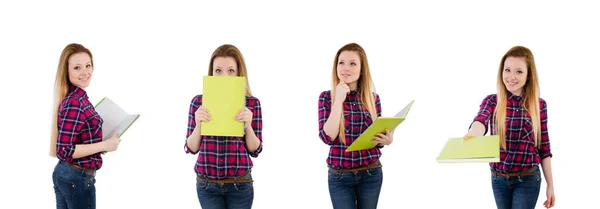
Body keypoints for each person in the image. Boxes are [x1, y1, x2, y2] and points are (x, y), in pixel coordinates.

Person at [464, 46, 555, 209]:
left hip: (527, 179)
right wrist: (473, 133)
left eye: (519, 72)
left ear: (528, 76)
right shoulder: (492, 101)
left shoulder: (539, 105)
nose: (511, 77)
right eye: (507, 70)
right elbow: (481, 120)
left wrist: (551, 185)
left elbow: (544, 148)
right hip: (498, 179)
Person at [184, 44, 263, 209]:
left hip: (239, 184)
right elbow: (191, 148)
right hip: (207, 185)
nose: (224, 76)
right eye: (218, 70)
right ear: (211, 72)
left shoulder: (251, 104)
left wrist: (247, 126)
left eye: (231, 71)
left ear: (239, 73)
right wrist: (199, 125)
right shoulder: (198, 102)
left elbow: (255, 150)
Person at [318, 43, 394, 209]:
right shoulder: (326, 98)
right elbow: (327, 137)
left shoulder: (372, 98)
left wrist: (386, 139)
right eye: (341, 63)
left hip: (371, 172)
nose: (346, 68)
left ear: (361, 69)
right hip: (339, 176)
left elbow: (376, 136)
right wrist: (338, 100)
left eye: (352, 63)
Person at [50, 43, 121, 209]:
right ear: (66, 71)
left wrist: (101, 141)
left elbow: (78, 139)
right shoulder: (75, 102)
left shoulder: (79, 98)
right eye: (77, 67)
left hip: (67, 174)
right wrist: (104, 145)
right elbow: (64, 150)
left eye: (88, 65)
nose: (85, 72)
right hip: (77, 177)